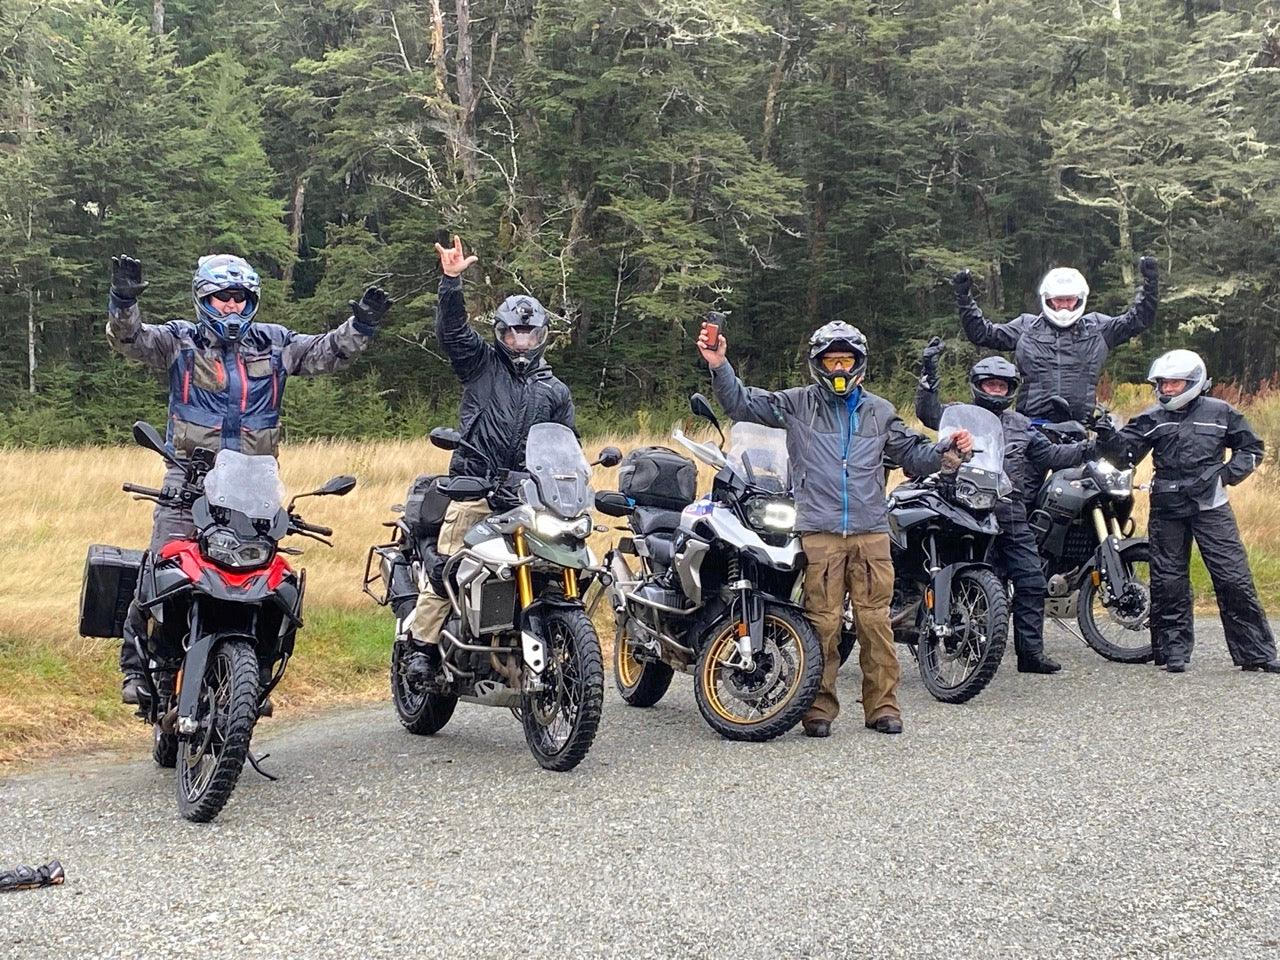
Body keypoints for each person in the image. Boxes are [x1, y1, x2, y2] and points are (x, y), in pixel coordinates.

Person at [107, 253, 392, 703]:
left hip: (251, 493)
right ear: (204, 299)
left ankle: (252, 673)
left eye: (240, 299)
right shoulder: (180, 341)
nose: (232, 307)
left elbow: (323, 353)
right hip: (188, 484)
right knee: (156, 569)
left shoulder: (274, 342)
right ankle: (136, 668)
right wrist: (123, 301)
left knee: (272, 584)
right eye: (222, 299)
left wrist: (362, 326)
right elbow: (131, 341)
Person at [699, 320, 972, 737]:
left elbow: (914, 454)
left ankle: (882, 707)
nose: (840, 369)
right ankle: (817, 709)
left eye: (847, 360)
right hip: (821, 532)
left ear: (860, 363)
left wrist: (949, 450)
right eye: (832, 360)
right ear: (818, 363)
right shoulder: (795, 404)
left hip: (870, 531)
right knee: (822, 625)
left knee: (875, 623)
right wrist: (720, 366)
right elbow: (741, 404)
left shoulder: (880, 412)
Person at [403, 236, 575, 667]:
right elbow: (453, 333)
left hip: (529, 497)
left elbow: (566, 445)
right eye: (513, 331)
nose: (521, 339)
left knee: (561, 559)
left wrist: (570, 480)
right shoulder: (480, 364)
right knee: (448, 564)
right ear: (500, 333)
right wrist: (451, 283)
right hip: (474, 486)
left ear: (541, 335)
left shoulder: (555, 390)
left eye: (529, 331)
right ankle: (421, 646)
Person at [916, 342, 1094, 673]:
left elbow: (1054, 456)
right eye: (990, 384)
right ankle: (969, 648)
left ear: (1011, 389)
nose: (996, 390)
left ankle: (1030, 655)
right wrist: (929, 372)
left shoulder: (1024, 426)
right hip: (962, 510)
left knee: (1031, 580)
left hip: (1009, 513)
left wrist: (1091, 447)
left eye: (1002, 385)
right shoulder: (958, 416)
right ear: (978, 385)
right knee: (969, 578)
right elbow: (928, 412)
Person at [1099, 350, 1279, 674]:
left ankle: (1257, 653)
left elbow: (1252, 449)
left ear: (1194, 381)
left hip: (1211, 505)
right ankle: (1172, 652)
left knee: (1233, 577)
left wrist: (1224, 475)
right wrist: (1106, 435)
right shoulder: (1152, 417)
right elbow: (1124, 455)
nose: (1167, 389)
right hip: (1167, 506)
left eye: (1174, 383)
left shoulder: (1221, 412)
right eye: (1163, 384)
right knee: (1168, 581)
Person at [952, 258, 1159, 423]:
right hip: (1030, 428)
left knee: (1091, 476)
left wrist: (1150, 285)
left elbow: (1137, 320)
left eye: (1069, 300)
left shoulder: (1098, 328)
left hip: (1079, 428)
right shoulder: (1026, 327)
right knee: (1017, 477)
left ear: (1079, 299)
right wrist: (964, 297)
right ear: (1048, 299)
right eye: (1058, 300)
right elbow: (982, 333)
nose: (1064, 306)